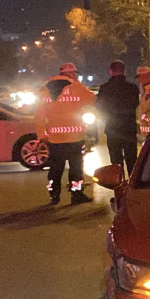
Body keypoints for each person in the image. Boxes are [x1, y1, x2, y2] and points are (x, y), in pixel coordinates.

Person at [35, 63, 96, 204]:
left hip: (55, 139)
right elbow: (92, 99)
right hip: (75, 137)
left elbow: (39, 114)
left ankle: (54, 195)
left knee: (55, 170)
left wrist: (41, 134)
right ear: (72, 74)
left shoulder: (45, 89)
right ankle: (76, 195)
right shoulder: (76, 87)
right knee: (76, 168)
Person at [95, 61, 140, 176]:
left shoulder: (104, 88)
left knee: (115, 162)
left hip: (112, 128)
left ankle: (118, 185)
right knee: (132, 160)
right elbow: (136, 105)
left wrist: (106, 119)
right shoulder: (133, 88)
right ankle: (131, 185)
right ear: (124, 71)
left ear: (111, 71)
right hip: (129, 129)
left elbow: (99, 107)